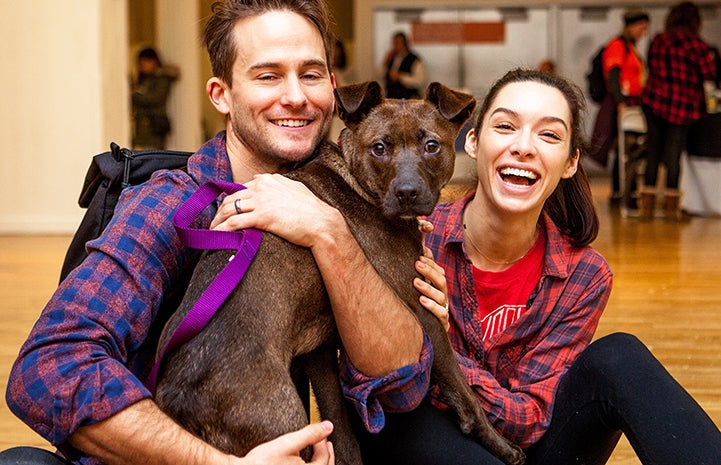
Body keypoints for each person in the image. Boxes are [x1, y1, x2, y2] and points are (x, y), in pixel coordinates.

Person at [4, 1, 442, 464]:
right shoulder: (169, 204)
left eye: (311, 75)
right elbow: (47, 368)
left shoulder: (351, 207)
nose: (296, 96)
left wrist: (328, 231)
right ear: (221, 94)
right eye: (268, 76)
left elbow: (402, 390)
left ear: (333, 87)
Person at [349, 68, 721, 465]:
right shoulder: (412, 238)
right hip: (421, 436)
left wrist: (439, 346)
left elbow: (528, 421)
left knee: (619, 356)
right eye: (507, 126)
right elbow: (374, 391)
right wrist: (414, 343)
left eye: (549, 134)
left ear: (570, 163)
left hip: (521, 450)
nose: (524, 147)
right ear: (472, 142)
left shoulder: (583, 276)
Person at [640, 1, 717, 221]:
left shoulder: (659, 40)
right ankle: (671, 210)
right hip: (681, 106)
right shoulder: (697, 45)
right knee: (673, 155)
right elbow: (710, 74)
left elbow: (651, 66)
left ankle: (647, 209)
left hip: (654, 102)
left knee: (653, 152)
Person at [588, 9, 649, 208]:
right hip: (621, 105)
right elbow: (613, 75)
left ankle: (622, 191)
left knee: (626, 149)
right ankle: (622, 193)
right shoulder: (617, 46)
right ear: (630, 26)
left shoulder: (630, 48)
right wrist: (621, 102)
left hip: (629, 103)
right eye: (641, 27)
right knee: (625, 148)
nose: (643, 32)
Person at [131, 47, 179, 149]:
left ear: (153, 61)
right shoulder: (145, 79)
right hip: (142, 129)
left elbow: (155, 98)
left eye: (145, 62)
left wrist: (133, 96)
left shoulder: (161, 78)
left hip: (154, 127)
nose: (143, 66)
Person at [379, 31, 426, 99]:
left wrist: (401, 77)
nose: (395, 45)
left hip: (409, 99)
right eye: (394, 43)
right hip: (391, 98)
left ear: (405, 43)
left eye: (398, 43)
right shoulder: (391, 57)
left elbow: (419, 81)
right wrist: (385, 62)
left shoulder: (415, 60)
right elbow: (379, 75)